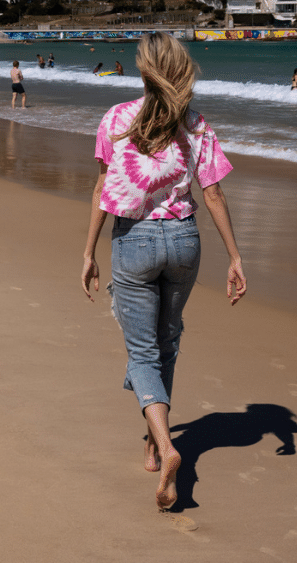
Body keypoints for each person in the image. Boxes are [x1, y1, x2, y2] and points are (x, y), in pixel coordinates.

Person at [80, 33, 246, 511]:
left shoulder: (116, 119)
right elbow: (212, 194)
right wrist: (235, 256)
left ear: (144, 70)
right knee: (167, 341)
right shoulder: (195, 124)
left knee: (142, 351)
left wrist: (89, 251)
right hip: (184, 242)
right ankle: (154, 444)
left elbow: (101, 191)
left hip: (134, 240)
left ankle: (168, 446)